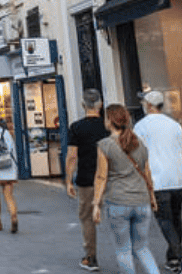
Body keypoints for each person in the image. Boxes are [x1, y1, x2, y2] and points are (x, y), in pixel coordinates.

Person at [93, 104, 161, 274]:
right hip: (142, 202)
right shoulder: (139, 143)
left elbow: (101, 177)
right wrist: (152, 197)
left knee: (123, 249)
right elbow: (147, 173)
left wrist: (96, 204)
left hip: (118, 202)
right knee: (142, 248)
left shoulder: (105, 145)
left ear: (110, 121)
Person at [135, 91, 182, 274]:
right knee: (176, 219)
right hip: (177, 179)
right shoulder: (174, 125)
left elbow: (138, 156)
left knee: (164, 220)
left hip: (157, 181)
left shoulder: (141, 126)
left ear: (148, 105)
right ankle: (173, 260)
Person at [65, 90, 109, 272]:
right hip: (112, 179)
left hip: (87, 179)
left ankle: (91, 257)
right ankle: (128, 256)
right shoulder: (108, 126)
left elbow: (72, 156)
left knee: (87, 219)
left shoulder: (76, 127)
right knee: (119, 217)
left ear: (83, 105)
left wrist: (68, 180)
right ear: (100, 105)